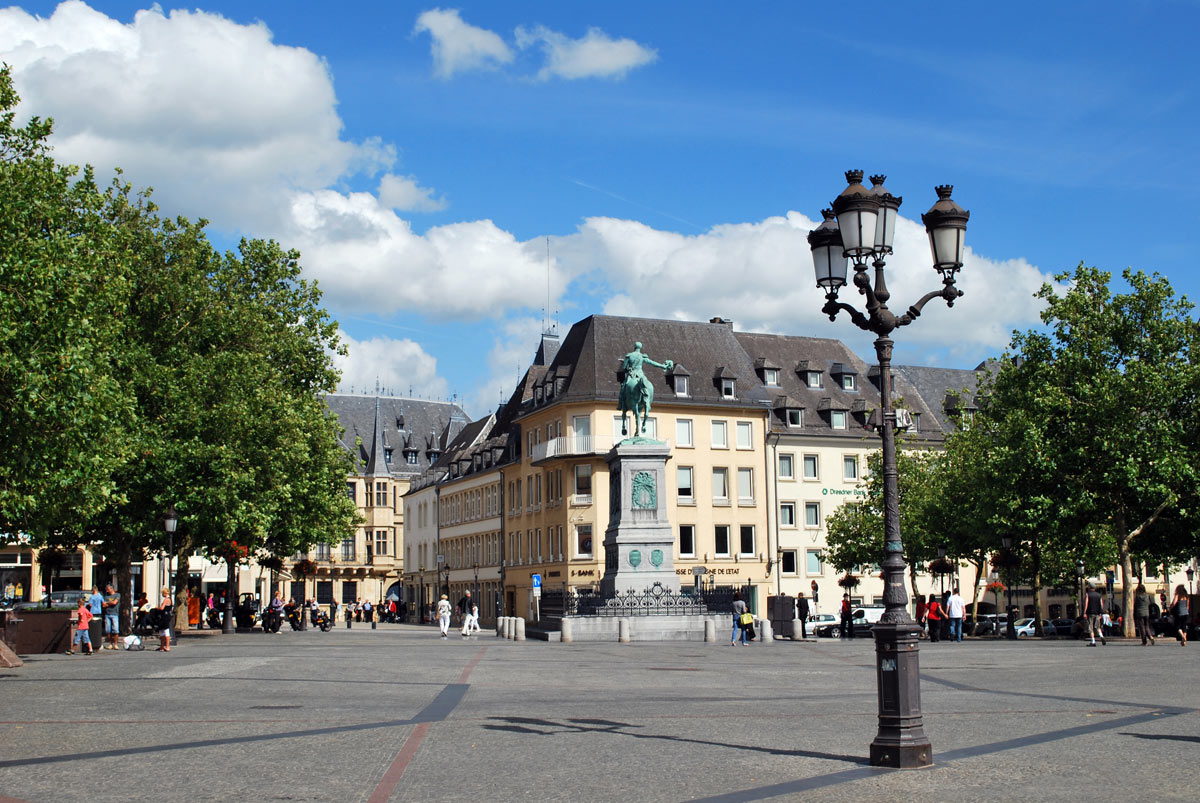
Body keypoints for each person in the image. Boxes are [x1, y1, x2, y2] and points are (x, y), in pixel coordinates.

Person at [102, 583, 121, 650]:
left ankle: (115, 644)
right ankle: (110, 643)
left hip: (115, 614)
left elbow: (114, 603)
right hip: (107, 614)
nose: (107, 591)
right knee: (108, 630)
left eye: (108, 589)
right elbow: (103, 605)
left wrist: (107, 603)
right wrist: (109, 603)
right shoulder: (106, 596)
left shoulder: (117, 595)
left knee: (115, 630)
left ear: (111, 589)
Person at [155, 587, 173, 652]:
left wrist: (158, 608)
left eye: (162, 593)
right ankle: (162, 646)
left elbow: (162, 608)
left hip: (164, 617)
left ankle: (166, 646)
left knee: (165, 631)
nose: (162, 594)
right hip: (167, 616)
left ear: (164, 593)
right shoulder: (170, 599)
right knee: (163, 631)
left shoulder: (166, 600)